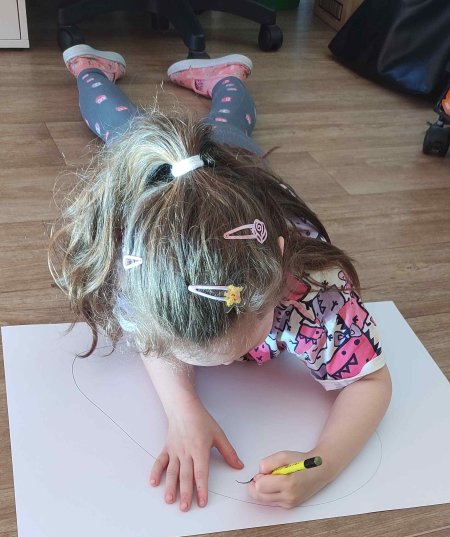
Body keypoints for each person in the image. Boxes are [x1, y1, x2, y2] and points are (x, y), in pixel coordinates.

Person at [49, 45, 392, 512]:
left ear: (279, 268)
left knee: (230, 126)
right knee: (121, 129)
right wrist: (183, 408)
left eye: (234, 350)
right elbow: (152, 340)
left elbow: (370, 382)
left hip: (237, 161)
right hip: (164, 164)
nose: (229, 367)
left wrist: (322, 464)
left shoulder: (318, 293)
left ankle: (228, 76)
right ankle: (89, 69)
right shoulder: (136, 265)